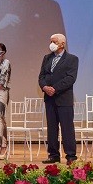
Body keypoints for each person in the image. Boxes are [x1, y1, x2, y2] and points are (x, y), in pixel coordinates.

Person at [38, 34, 79, 165]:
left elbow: (70, 78)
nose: (51, 44)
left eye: (54, 42)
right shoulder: (47, 58)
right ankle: (53, 154)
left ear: (62, 44)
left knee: (67, 127)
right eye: (50, 41)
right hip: (49, 99)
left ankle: (71, 155)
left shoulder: (72, 59)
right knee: (52, 127)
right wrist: (45, 87)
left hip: (63, 98)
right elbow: (42, 76)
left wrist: (54, 88)